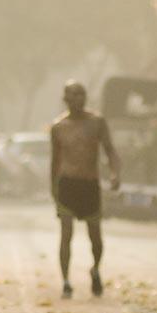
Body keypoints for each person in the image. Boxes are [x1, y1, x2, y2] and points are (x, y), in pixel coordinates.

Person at [50, 81, 121, 299]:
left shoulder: (97, 122)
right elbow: (55, 160)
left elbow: (110, 150)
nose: (76, 100)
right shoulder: (58, 127)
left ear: (85, 97)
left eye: (80, 95)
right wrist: (53, 188)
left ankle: (95, 268)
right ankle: (65, 281)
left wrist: (115, 173)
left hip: (90, 185)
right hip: (67, 185)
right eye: (71, 96)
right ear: (65, 99)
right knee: (66, 233)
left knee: (95, 236)